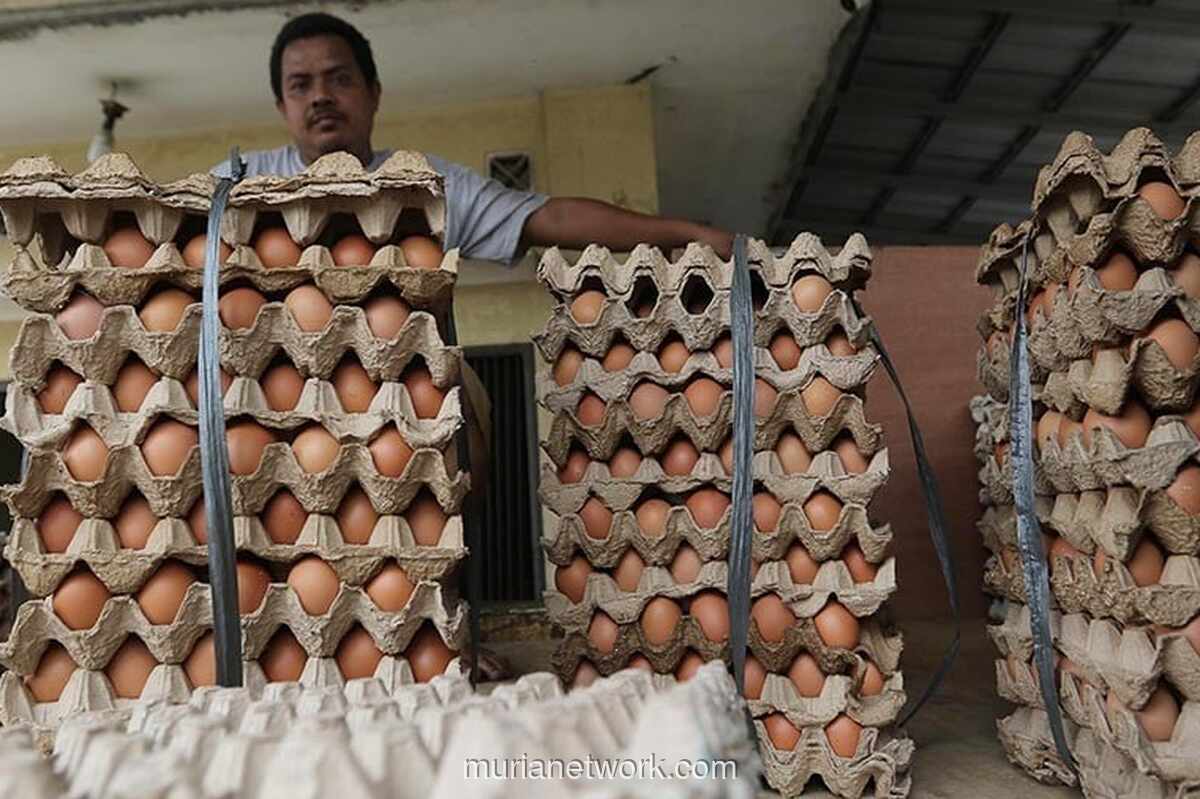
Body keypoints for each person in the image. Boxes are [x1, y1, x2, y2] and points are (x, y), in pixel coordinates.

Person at [213, 11, 735, 264]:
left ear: (374, 93)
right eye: (301, 86)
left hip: (401, 400)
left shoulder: (424, 185)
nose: (321, 97)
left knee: (467, 400)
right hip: (268, 408)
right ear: (282, 107)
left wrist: (683, 232)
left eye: (340, 79)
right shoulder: (237, 185)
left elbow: (548, 218)